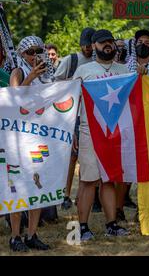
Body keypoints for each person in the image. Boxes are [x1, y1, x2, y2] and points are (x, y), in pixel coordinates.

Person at [72, 29, 131, 240]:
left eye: (110, 42)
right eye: (103, 42)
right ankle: (83, 227)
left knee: (109, 179)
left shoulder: (124, 70)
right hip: (89, 131)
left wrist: (141, 77)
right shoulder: (83, 70)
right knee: (88, 180)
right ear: (94, 46)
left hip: (115, 133)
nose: (108, 45)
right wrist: (73, 130)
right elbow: (71, 103)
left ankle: (111, 224)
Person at [8, 36, 55, 252]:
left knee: (38, 185)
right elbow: (13, 99)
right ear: (22, 54)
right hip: (18, 139)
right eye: (30, 52)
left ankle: (32, 234)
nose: (34, 55)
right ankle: (15, 236)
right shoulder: (18, 72)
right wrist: (32, 77)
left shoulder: (48, 75)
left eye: (38, 50)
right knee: (17, 188)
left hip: (41, 137)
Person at [54, 27, 96, 211]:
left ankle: (86, 196)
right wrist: (73, 83)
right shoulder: (70, 60)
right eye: (85, 45)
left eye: (90, 45)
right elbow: (55, 83)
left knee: (89, 157)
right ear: (80, 45)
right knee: (71, 157)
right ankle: (65, 194)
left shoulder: (97, 60)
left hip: (91, 113)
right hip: (72, 114)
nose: (88, 49)